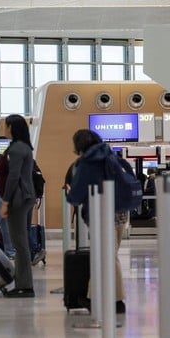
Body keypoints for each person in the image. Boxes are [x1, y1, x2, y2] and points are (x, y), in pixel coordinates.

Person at [66, 129, 129, 314]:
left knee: (107, 257)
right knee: (106, 255)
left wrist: (71, 194)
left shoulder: (86, 163)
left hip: (101, 214)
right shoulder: (111, 155)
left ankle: (114, 301)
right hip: (121, 213)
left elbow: (76, 194)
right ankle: (94, 297)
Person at [0, 114, 36, 298]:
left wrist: (5, 201)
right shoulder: (23, 147)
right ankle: (22, 283)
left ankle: (25, 285)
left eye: (6, 126)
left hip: (18, 198)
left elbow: (13, 177)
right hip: (24, 197)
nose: (4, 129)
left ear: (12, 128)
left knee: (19, 242)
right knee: (20, 241)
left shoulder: (16, 149)